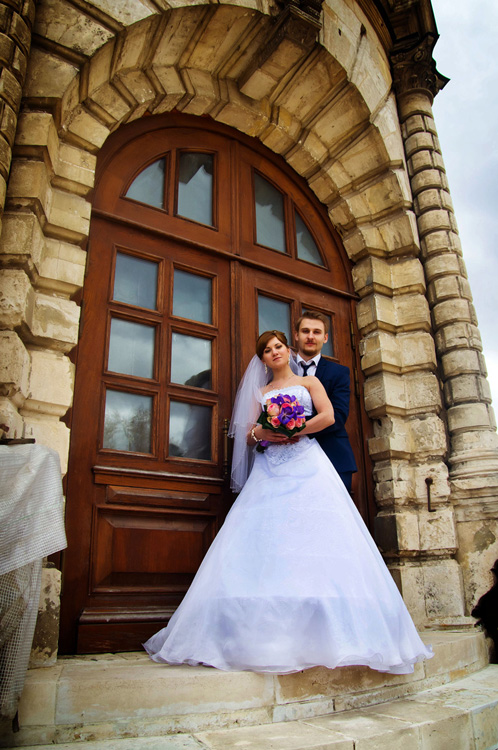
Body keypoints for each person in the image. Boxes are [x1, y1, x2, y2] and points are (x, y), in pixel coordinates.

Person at [143, 330, 433, 674]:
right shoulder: (261, 392)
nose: (274, 352)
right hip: (270, 469)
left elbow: (328, 416)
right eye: (267, 350)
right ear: (262, 359)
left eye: (278, 346)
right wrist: (262, 432)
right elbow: (248, 434)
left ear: (288, 349)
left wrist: (296, 428)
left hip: (307, 463)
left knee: (316, 533)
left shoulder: (309, 383)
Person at [294, 313, 357, 492]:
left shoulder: (339, 372)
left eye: (317, 332)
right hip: (289, 460)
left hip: (332, 455)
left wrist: (292, 429)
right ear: (296, 335)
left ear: (325, 338)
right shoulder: (282, 370)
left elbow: (338, 415)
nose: (311, 336)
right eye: (305, 331)